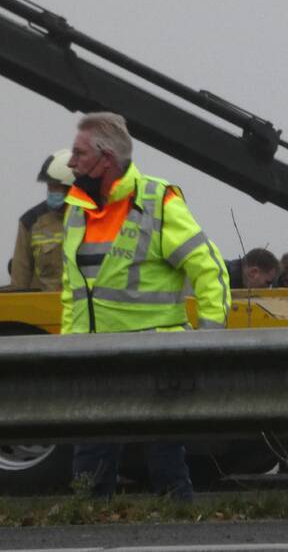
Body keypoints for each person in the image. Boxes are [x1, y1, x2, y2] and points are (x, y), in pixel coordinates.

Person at [62, 112, 231, 500]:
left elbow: (210, 270)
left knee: (166, 467)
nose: (70, 162)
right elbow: (74, 294)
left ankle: (182, 533)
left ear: (106, 159)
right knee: (88, 474)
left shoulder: (156, 201)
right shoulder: (77, 209)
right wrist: (67, 353)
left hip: (154, 360)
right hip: (94, 362)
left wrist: (209, 341)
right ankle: (89, 534)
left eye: (78, 153)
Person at [10, 149, 75, 290]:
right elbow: (19, 278)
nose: (51, 191)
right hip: (44, 308)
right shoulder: (31, 222)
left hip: (80, 307)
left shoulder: (90, 219)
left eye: (55, 187)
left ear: (71, 188)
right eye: (49, 186)